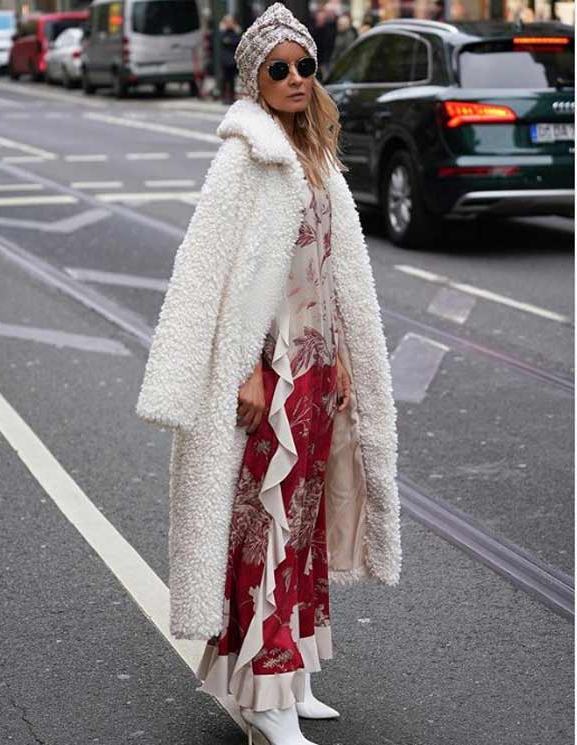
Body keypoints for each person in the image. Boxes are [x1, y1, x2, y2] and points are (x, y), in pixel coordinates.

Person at [136, 3, 401, 744]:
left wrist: (345, 352)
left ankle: (297, 675)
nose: (293, 78)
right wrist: (247, 369)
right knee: (268, 529)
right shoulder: (242, 158)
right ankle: (266, 700)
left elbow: (333, 273)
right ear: (254, 79)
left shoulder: (317, 157)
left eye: (303, 66)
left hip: (317, 373)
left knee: (304, 526)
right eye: (276, 68)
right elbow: (207, 275)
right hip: (268, 375)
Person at [220, 14, 241, 105]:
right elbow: (224, 41)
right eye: (227, 22)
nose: (229, 24)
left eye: (231, 22)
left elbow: (236, 42)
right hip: (225, 60)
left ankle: (232, 97)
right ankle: (224, 97)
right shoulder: (222, 32)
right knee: (225, 79)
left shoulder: (236, 32)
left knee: (231, 80)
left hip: (232, 60)